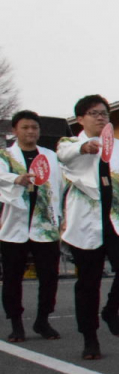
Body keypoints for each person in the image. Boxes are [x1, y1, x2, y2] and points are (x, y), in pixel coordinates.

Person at [58, 95, 119, 360]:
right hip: (86, 223)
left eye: (104, 113)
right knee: (88, 282)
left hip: (118, 220)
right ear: (80, 119)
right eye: (93, 113)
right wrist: (85, 149)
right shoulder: (71, 143)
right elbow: (64, 155)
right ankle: (90, 338)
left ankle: (112, 309)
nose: (101, 117)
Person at [0, 110, 63, 343]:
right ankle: (16, 323)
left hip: (44, 226)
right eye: (25, 127)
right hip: (14, 227)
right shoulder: (5, 157)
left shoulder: (50, 156)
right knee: (13, 278)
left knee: (49, 276)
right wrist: (15, 179)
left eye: (34, 128)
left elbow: (60, 186)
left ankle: (43, 320)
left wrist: (60, 218)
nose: (30, 132)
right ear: (15, 130)